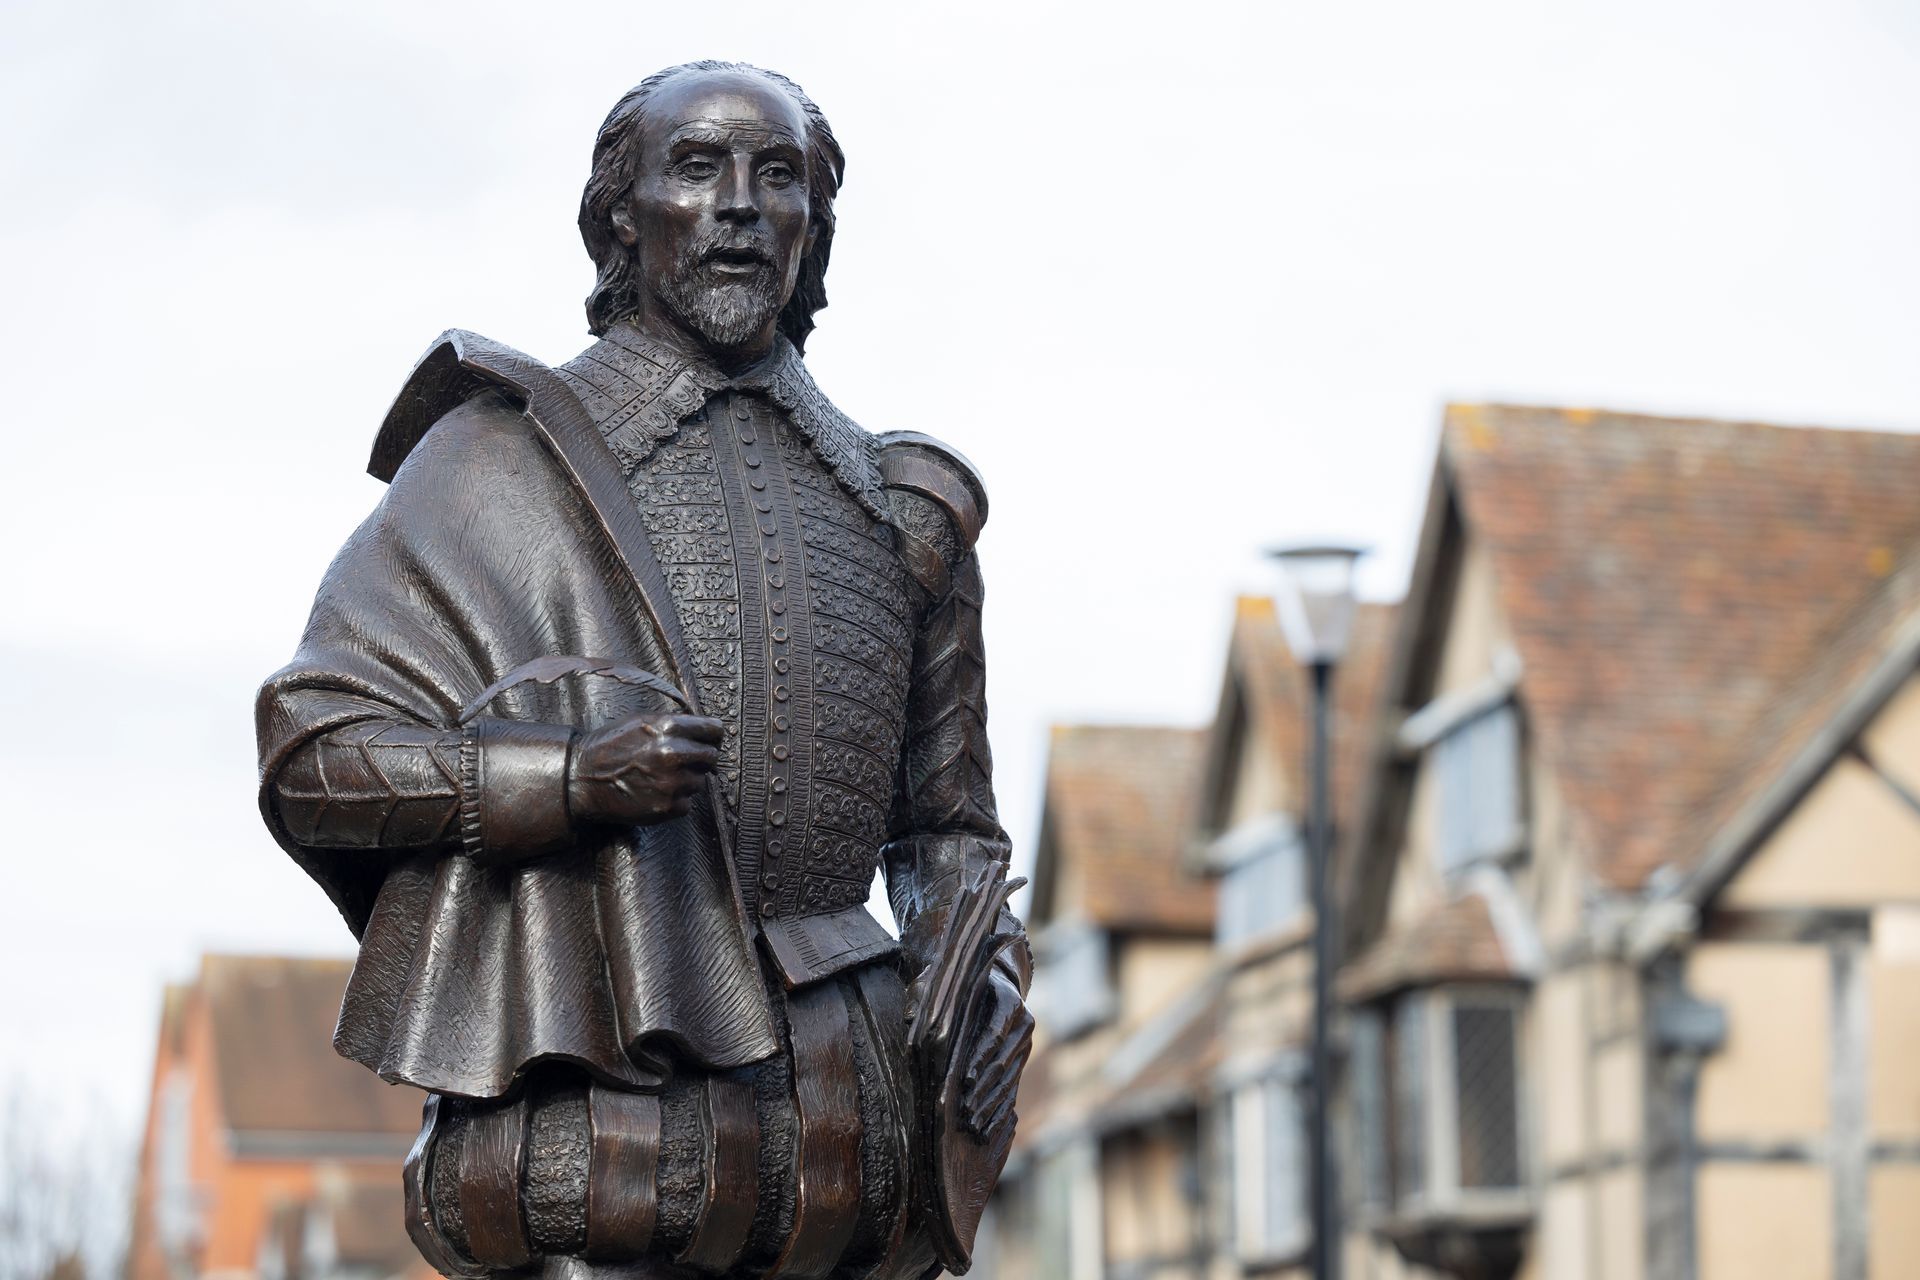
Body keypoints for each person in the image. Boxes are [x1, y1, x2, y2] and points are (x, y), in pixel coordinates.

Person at [255, 60, 1031, 1280]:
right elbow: (314, 755)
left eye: (778, 176)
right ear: (622, 216)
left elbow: (949, 828)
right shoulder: (492, 465)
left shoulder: (903, 511)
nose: (741, 205)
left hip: (848, 1140)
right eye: (698, 167)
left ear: (814, 224)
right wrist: (559, 777)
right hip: (594, 1116)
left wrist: (984, 973)